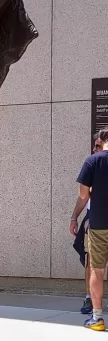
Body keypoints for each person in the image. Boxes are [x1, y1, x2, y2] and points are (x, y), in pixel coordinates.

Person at [70, 128, 108, 330]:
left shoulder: (93, 161)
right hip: (96, 222)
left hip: (100, 224)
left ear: (102, 140)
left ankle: (97, 317)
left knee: (97, 269)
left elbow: (83, 194)